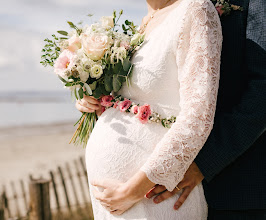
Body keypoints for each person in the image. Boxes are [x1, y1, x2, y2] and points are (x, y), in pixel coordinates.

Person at [76, 0, 222, 219]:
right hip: (114, 201)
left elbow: (198, 116)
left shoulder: (194, 10)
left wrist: (133, 190)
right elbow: (133, 103)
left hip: (153, 197)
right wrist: (95, 103)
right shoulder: (140, 26)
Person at [144, 0, 266, 219]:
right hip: (168, 191)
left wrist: (204, 163)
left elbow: (262, 95)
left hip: (236, 190)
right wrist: (100, 100)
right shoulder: (170, 7)